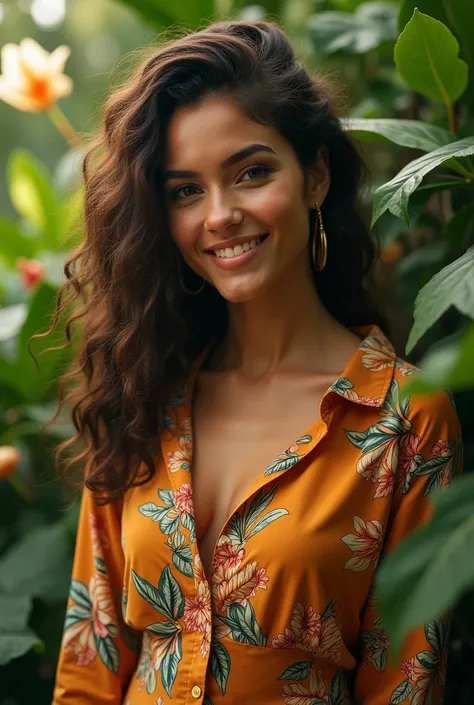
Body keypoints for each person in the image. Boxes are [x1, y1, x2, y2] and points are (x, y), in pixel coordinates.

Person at [49, 18, 462, 705]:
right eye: (185, 190)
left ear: (316, 177)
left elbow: (406, 682)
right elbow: (88, 668)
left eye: (252, 172)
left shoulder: (406, 422)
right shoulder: (142, 389)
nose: (219, 215)